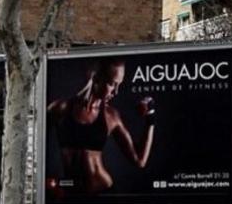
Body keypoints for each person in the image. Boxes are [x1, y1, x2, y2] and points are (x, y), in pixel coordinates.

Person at [47, 57, 155, 195]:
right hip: (71, 196)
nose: (116, 92)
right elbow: (32, 147)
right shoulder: (59, 109)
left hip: (104, 193)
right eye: (112, 84)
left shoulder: (111, 116)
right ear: (96, 77)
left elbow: (140, 161)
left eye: (119, 85)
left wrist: (150, 118)